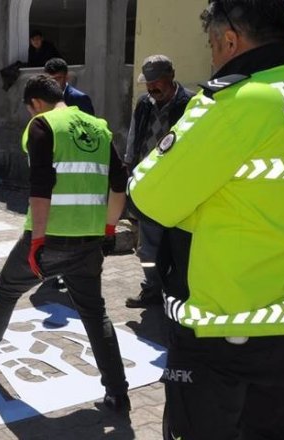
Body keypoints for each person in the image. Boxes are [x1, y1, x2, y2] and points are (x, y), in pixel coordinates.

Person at [128, 1, 284, 438]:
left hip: (224, 322)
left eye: (210, 45)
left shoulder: (235, 102)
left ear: (229, 39)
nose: (211, 55)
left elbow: (150, 197)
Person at [0, 75, 130, 412]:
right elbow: (119, 184)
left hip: (49, 238)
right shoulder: (99, 128)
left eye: (30, 110)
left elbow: (40, 188)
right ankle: (117, 392)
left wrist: (37, 239)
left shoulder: (43, 126)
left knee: (6, 290)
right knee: (94, 313)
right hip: (89, 240)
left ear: (35, 104)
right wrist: (109, 231)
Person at [122, 55, 193, 309]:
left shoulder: (191, 104)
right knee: (147, 248)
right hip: (148, 186)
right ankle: (152, 289)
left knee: (179, 246)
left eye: (156, 82)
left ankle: (177, 295)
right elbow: (134, 140)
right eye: (148, 84)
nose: (151, 88)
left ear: (171, 76)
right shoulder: (144, 104)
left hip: (179, 188)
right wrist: (129, 171)